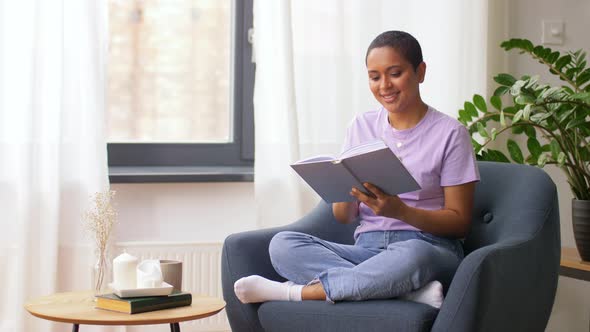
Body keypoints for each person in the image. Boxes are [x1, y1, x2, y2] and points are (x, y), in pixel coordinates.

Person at [234, 30, 480, 308]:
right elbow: (343, 216)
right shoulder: (361, 126)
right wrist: (341, 188)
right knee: (283, 245)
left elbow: (459, 222)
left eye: (395, 73)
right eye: (374, 77)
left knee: (413, 256)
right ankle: (401, 290)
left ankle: (294, 292)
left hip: (427, 247)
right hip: (367, 251)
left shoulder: (451, 133)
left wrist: (401, 212)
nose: (384, 85)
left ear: (420, 72)